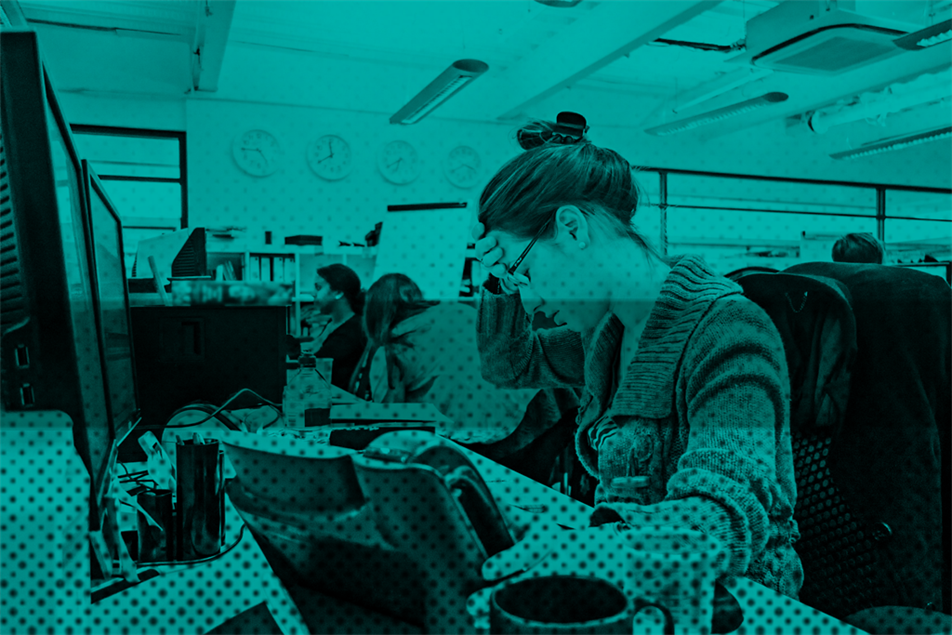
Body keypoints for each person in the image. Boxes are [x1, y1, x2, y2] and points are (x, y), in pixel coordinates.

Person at [471, 115, 803, 599]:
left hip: (734, 601)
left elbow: (724, 515)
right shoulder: (605, 333)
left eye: (524, 271)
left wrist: (586, 550)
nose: (532, 301)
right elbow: (509, 365)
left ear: (572, 228)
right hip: (634, 579)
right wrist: (497, 281)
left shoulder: (729, 331)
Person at [360, 273, 552, 447]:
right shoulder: (458, 310)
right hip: (536, 402)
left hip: (488, 431)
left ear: (373, 313)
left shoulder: (392, 352)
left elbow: (388, 420)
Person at [300, 264, 367, 391]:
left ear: (338, 292)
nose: (313, 293)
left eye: (318, 287)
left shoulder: (353, 330)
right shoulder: (334, 323)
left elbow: (316, 363)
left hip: (332, 395)